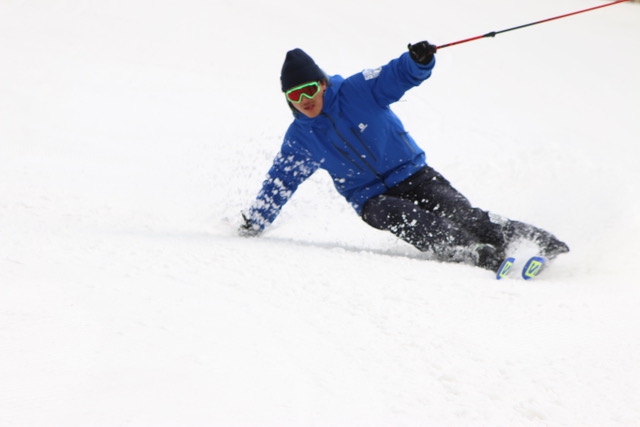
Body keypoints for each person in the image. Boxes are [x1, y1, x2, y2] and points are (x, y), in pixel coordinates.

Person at [239, 42, 569, 271]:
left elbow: (394, 74)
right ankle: (468, 250)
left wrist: (418, 61)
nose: (304, 100)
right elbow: (281, 181)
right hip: (370, 198)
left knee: (459, 212)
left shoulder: (358, 90)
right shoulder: (301, 138)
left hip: (413, 173)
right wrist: (256, 222)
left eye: (308, 90)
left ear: (323, 84)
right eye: (294, 96)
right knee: (401, 214)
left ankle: (535, 241)